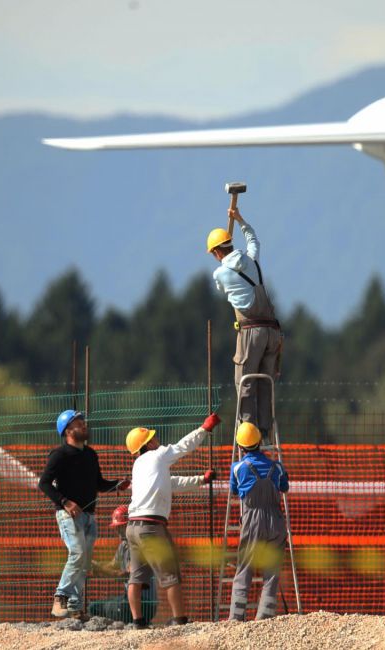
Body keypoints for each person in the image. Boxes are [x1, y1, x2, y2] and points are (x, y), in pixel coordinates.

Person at [123, 414, 221, 628]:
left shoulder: (139, 465)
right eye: (152, 437)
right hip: (151, 527)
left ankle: (138, 622)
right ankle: (180, 620)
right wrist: (204, 429)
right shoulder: (157, 455)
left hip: (132, 527)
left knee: (136, 578)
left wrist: (201, 479)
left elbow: (172, 482)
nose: (156, 439)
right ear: (147, 443)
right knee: (170, 575)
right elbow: (183, 446)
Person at [38, 409, 130, 619]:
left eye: (83, 422)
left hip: (89, 516)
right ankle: (60, 596)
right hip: (68, 515)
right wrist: (65, 502)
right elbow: (43, 484)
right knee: (78, 553)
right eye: (79, 423)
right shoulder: (58, 455)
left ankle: (75, 607)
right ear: (68, 430)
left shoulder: (90, 454)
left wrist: (117, 485)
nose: (84, 425)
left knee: (84, 561)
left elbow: (98, 484)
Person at [207, 207, 282, 438]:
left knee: (245, 383)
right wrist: (239, 219)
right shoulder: (252, 258)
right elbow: (253, 238)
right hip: (273, 332)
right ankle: (266, 431)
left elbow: (221, 287)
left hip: (251, 333)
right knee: (266, 383)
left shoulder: (219, 273)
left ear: (217, 252)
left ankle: (248, 435)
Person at [228, 422, 290, 621]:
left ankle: (236, 617)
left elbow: (234, 491)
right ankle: (264, 618)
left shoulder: (238, 468)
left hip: (252, 521)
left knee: (245, 567)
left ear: (241, 446)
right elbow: (284, 487)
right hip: (275, 520)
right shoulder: (277, 467)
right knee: (271, 571)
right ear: (260, 442)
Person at [87, 505, 157, 624]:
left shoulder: (136, 546)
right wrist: (95, 564)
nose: (117, 531)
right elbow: (113, 565)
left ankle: (138, 620)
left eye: (120, 527)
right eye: (116, 527)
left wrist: (101, 570)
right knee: (96, 606)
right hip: (130, 600)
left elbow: (125, 574)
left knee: (95, 608)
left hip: (144, 603)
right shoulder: (124, 545)